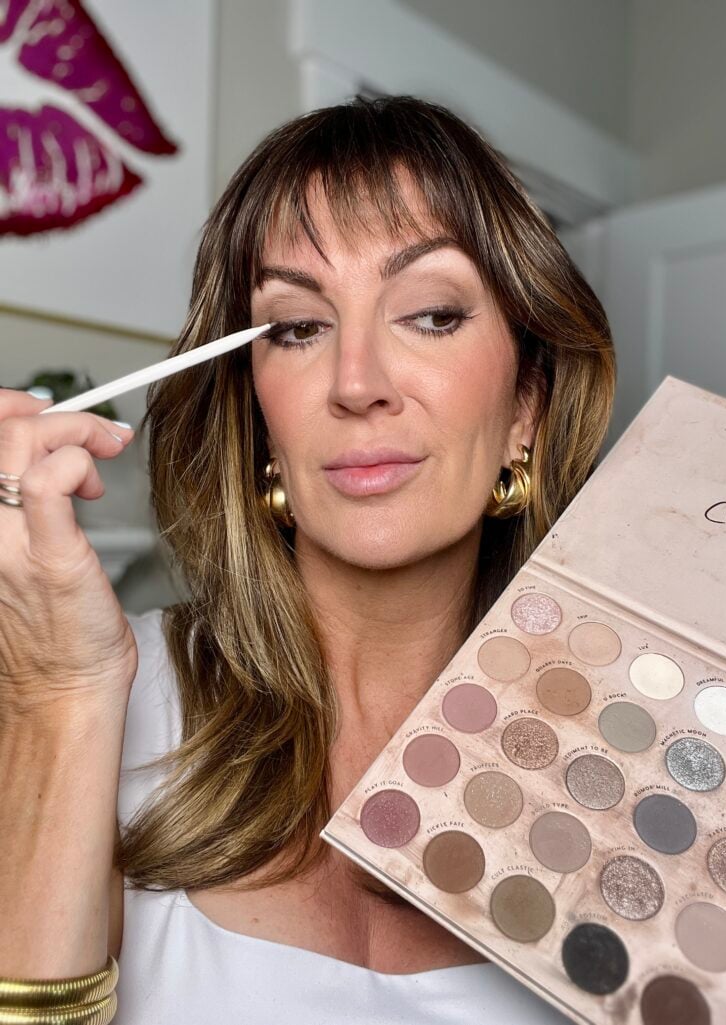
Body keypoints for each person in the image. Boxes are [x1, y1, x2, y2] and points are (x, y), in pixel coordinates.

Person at [0, 95, 614, 1023]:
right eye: (296, 327)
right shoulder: (94, 700)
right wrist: (56, 697)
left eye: (433, 314)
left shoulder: (636, 755)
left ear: (525, 405)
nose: (357, 382)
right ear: (257, 413)